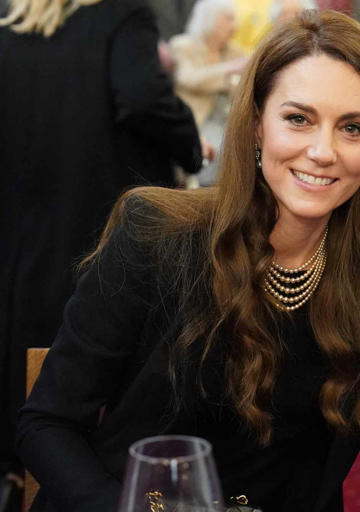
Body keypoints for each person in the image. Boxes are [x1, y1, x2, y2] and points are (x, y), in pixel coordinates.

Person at [17, 9, 360, 512]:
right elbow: (46, 425)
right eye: (298, 119)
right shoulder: (157, 236)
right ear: (257, 125)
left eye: (352, 128)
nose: (324, 151)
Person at [0, 0, 202, 499]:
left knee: (34, 379)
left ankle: (15, 472)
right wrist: (190, 144)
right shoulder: (123, 15)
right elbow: (141, 95)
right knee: (83, 373)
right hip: (97, 229)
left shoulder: (12, 28)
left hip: (24, 230)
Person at [170, 0, 248, 185]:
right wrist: (229, 70)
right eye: (228, 19)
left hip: (230, 120)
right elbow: (188, 78)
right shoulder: (182, 46)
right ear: (209, 20)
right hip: (199, 121)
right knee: (224, 148)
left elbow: (243, 89)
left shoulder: (235, 52)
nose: (234, 26)